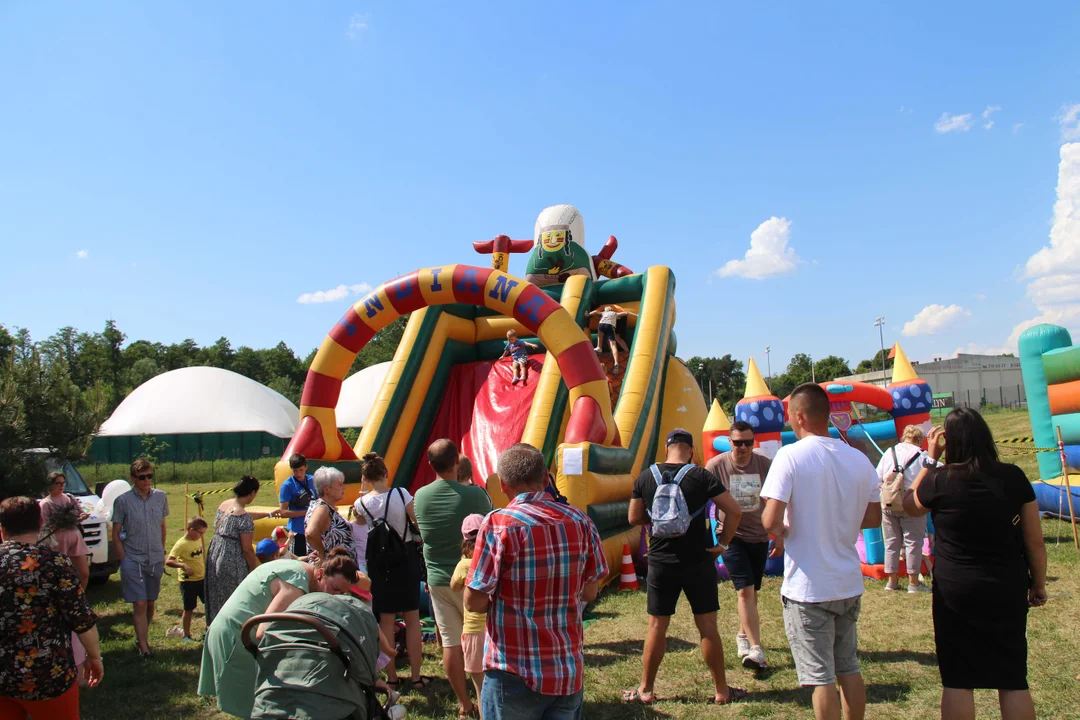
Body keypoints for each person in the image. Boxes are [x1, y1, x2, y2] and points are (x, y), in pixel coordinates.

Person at [903, 409, 1046, 720]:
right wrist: (1038, 583)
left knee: (958, 679)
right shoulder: (1013, 477)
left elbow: (909, 505)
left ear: (950, 442)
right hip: (1005, 585)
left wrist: (930, 460)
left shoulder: (940, 479)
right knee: (1012, 678)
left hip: (955, 589)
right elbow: (1034, 540)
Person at [760, 383, 882, 720]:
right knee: (848, 667)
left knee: (820, 678)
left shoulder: (790, 455)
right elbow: (872, 518)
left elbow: (770, 520)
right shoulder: (858, 457)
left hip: (809, 587)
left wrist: (786, 529)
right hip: (847, 582)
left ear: (799, 416)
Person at [465, 443, 609, 720]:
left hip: (512, 670)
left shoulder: (499, 524)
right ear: (546, 478)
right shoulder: (580, 520)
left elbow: (475, 602)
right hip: (566, 666)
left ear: (503, 485)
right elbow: (590, 590)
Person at [625, 428, 747, 705]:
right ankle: (721, 691)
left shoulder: (646, 476)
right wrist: (723, 543)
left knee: (657, 626)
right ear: (691, 450)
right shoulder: (702, 475)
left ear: (667, 449)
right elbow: (735, 511)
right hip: (698, 560)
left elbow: (633, 518)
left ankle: (646, 690)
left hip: (660, 561)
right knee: (707, 627)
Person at [198, 549, 361, 718]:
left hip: (236, 632)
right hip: (236, 638)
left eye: (342, 593)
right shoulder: (295, 585)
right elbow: (264, 631)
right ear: (320, 573)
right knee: (259, 709)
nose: (335, 596)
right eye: (334, 588)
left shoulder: (302, 570)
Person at [0, 496, 103, 720]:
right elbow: (82, 620)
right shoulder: (56, 563)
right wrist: (95, 658)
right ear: (39, 525)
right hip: (49, 676)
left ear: (2, 529)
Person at [415, 439, 492, 718]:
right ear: (457, 463)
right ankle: (487, 702)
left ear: (430, 465)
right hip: (473, 580)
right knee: (480, 642)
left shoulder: (419, 497)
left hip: (438, 581)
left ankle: (464, 704)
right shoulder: (476, 496)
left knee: (451, 644)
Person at [705, 420, 777, 670]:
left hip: (759, 536)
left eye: (748, 442)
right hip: (731, 537)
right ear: (730, 441)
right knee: (744, 590)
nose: (744, 447)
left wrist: (777, 534)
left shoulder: (765, 464)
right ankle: (757, 649)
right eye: (738, 443)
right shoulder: (716, 465)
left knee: (752, 592)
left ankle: (743, 635)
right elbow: (702, 500)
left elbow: (777, 500)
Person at [355, 452, 428, 691]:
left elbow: (360, 519)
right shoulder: (401, 494)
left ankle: (393, 677)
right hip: (404, 557)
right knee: (412, 618)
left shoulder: (361, 503)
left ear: (365, 477)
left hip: (379, 562)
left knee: (386, 619)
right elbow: (416, 521)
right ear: (386, 473)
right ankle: (416, 676)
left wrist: (365, 488)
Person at [111, 457, 170, 659]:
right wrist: (123, 558)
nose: (146, 480)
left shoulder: (160, 497)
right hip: (133, 557)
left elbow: (162, 526)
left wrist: (162, 551)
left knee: (151, 602)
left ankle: (141, 637)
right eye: (142, 477)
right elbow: (116, 532)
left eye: (149, 476)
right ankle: (144, 648)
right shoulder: (123, 501)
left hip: (154, 557)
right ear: (133, 478)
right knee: (140, 603)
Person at [205, 475, 275, 626]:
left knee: (217, 593)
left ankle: (213, 625)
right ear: (252, 493)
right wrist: (253, 568)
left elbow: (240, 515)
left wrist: (267, 514)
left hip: (216, 551)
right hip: (231, 559)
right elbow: (247, 549)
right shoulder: (243, 519)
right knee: (234, 595)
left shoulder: (225, 504)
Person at [875, 424, 933, 593]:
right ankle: (913, 583)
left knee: (891, 543)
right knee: (913, 542)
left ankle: (892, 582)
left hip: (888, 502)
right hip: (910, 502)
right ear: (920, 440)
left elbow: (878, 476)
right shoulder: (922, 455)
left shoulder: (889, 452)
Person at [450, 513, 487, 708]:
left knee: (481, 687)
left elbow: (454, 586)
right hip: (495, 630)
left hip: (474, 630)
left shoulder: (464, 564)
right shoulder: (494, 558)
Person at [39, 470, 91, 589]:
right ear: (50, 485)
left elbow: (80, 512)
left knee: (84, 573)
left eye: (63, 483)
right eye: (58, 483)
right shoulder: (45, 503)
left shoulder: (69, 498)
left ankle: (79, 599)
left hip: (75, 537)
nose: (62, 486)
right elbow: (45, 527)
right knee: (61, 576)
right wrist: (62, 522)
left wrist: (82, 517)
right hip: (57, 542)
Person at [166, 516, 209, 642]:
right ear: (191, 530)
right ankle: (186, 634)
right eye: (200, 533)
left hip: (201, 579)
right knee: (189, 608)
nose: (201, 536)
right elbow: (169, 561)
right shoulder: (181, 544)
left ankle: (209, 630)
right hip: (188, 582)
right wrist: (183, 565)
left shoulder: (196, 540)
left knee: (209, 606)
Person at [304, 466, 354, 562]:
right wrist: (322, 554)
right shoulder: (323, 508)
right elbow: (310, 532)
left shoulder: (323, 506)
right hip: (333, 570)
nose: (344, 487)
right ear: (326, 489)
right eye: (340, 484)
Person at [278, 453, 317, 557]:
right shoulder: (287, 485)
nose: (298, 474)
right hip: (297, 532)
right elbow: (283, 512)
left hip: (315, 529)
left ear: (306, 467)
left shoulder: (314, 480)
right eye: (295, 471)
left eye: (301, 470)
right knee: (300, 563)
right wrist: (307, 512)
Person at [587, 305, 637, 374]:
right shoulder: (611, 311)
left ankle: (599, 347)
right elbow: (627, 313)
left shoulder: (602, 311)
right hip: (614, 322)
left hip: (610, 322)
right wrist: (636, 315)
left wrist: (588, 314)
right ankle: (621, 356)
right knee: (614, 341)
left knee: (603, 330)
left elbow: (595, 312)